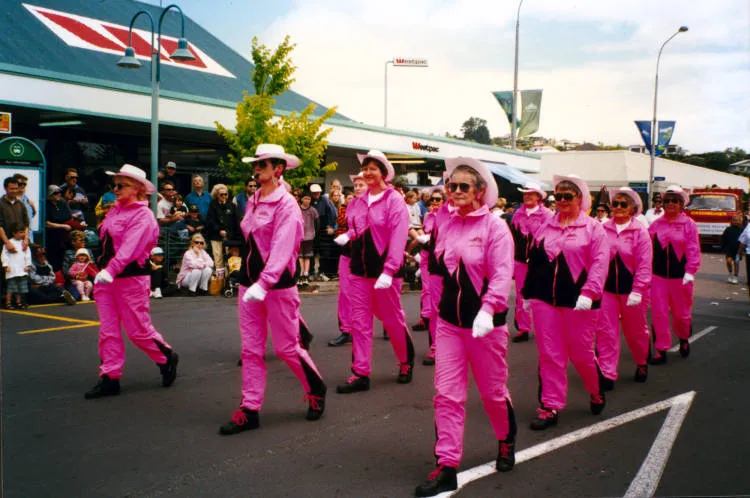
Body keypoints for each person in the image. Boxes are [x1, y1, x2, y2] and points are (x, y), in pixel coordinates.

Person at [414, 158, 516, 496]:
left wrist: (488, 311)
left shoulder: (495, 227)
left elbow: (502, 275)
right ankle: (447, 464)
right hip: (450, 325)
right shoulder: (447, 224)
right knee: (447, 395)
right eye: (451, 186)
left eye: (463, 187)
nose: (454, 192)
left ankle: (504, 439)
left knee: (492, 394)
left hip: (486, 327)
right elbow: (442, 268)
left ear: (480, 192)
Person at [218, 144, 327, 435]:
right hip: (248, 283)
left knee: (286, 348)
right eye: (256, 164)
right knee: (251, 349)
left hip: (277, 287)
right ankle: (249, 409)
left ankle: (315, 389)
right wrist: (252, 282)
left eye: (263, 165)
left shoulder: (287, 205)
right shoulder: (253, 199)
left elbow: (282, 248)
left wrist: (264, 283)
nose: (257, 169)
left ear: (278, 169)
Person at [84, 164, 179, 399]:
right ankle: (109, 377)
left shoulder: (144, 216)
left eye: (120, 185)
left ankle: (165, 357)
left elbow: (130, 249)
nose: (115, 189)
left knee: (138, 331)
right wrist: (101, 270)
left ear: (137, 188)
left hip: (130, 279)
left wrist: (110, 270)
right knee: (108, 330)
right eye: (114, 185)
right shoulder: (115, 210)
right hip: (107, 278)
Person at [522, 174, 609, 430]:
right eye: (557, 196)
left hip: (579, 301)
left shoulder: (594, 228)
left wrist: (589, 292)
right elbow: (536, 261)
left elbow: (600, 262)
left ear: (579, 199)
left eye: (567, 196)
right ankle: (550, 406)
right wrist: (528, 293)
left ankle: (595, 391)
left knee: (581, 355)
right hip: (545, 300)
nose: (561, 201)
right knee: (549, 354)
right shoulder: (546, 225)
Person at [333, 150, 414, 393]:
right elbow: (357, 228)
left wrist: (389, 270)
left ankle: (405, 361)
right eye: (365, 168)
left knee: (392, 320)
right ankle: (360, 372)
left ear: (383, 173)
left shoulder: (394, 200)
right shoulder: (357, 201)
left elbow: (399, 238)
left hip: (385, 272)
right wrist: (347, 236)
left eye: (372, 169)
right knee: (360, 322)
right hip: (358, 269)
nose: (367, 173)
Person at [599, 188, 653, 387]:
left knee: (635, 331)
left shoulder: (641, 232)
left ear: (632, 209)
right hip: (607, 290)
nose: (619, 208)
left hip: (633, 291)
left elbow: (645, 264)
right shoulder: (603, 228)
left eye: (624, 204)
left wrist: (638, 290)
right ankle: (607, 372)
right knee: (606, 331)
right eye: (615, 204)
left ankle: (641, 362)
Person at [648, 185, 700, 364]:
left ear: (681, 204)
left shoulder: (689, 225)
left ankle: (684, 338)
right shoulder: (655, 224)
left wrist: (690, 271)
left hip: (681, 278)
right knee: (659, 313)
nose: (669, 204)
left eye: (674, 201)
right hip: (658, 277)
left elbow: (693, 249)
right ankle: (661, 349)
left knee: (681, 314)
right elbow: (647, 250)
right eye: (667, 201)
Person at [508, 182, 553, 343]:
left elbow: (551, 238)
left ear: (538, 197)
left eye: (530, 194)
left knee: (541, 294)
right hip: (520, 260)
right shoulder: (517, 214)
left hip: (540, 261)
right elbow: (512, 238)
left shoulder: (547, 215)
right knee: (521, 294)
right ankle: (523, 328)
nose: (527, 196)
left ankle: (545, 326)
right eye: (525, 193)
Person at [329, 174, 368, 347]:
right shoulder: (350, 206)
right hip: (348, 254)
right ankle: (346, 330)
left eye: (362, 185)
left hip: (367, 256)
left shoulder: (374, 206)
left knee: (376, 298)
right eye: (356, 185)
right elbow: (348, 226)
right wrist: (344, 235)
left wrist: (350, 235)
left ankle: (390, 326)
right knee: (345, 294)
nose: (358, 188)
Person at [410, 187, 446, 365]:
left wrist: (430, 239)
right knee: (432, 301)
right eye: (432, 199)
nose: (434, 202)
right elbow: (424, 235)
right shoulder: (428, 216)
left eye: (438, 199)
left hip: (446, 263)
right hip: (429, 259)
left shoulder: (449, 216)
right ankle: (435, 348)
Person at [206, 184, 238, 274]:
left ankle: (229, 280)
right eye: (221, 194)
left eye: (226, 194)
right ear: (217, 195)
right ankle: (220, 281)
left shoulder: (232, 205)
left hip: (229, 236)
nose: (224, 196)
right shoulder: (212, 204)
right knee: (218, 257)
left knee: (230, 257)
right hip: (216, 235)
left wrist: (229, 233)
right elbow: (210, 220)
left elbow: (236, 221)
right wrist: (219, 230)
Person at [2, 222, 31, 309]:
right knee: (11, 287)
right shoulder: (9, 243)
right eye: (20, 232)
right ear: (14, 233)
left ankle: (18, 302)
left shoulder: (24, 244)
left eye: (23, 232)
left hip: (22, 269)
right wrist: (6, 265)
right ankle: (8, 302)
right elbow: (4, 255)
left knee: (20, 288)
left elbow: (27, 255)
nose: (22, 234)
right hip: (12, 269)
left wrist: (27, 265)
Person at [311, 183, 337, 279]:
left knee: (324, 252)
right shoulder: (310, 200)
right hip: (313, 230)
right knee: (312, 252)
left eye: (317, 193)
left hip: (323, 229)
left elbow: (333, 213)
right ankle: (312, 272)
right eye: (314, 193)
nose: (316, 195)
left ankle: (323, 272)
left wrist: (331, 226)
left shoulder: (325, 200)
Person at [43, 185, 71, 271]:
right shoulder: (46, 206)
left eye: (59, 193)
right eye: (55, 193)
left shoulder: (61, 204)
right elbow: (46, 223)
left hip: (63, 236)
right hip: (52, 236)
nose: (58, 195)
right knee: (53, 257)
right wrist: (63, 226)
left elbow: (68, 217)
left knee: (62, 256)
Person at [298, 191, 319, 285]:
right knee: (300, 256)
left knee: (307, 256)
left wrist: (314, 233)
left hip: (309, 237)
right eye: (305, 198)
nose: (307, 200)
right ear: (301, 199)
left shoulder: (313, 210)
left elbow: (317, 223)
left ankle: (306, 274)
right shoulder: (297, 209)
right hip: (298, 237)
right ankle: (300, 274)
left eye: (309, 199)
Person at [720, 214, 743, 284]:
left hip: (738, 249)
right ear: (731, 221)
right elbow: (723, 238)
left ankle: (735, 277)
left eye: (737, 220)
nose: (736, 222)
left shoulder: (742, 230)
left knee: (736, 263)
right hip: (729, 249)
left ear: (740, 221)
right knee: (729, 261)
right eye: (734, 220)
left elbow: (744, 240)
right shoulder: (728, 229)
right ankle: (730, 274)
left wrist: (743, 250)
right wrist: (723, 247)